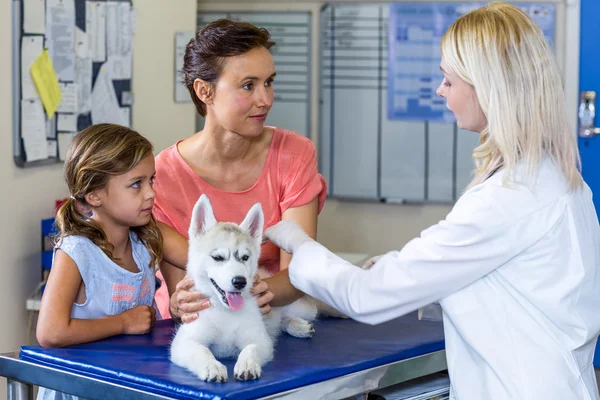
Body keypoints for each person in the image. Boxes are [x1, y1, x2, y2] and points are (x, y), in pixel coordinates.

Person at [264, 3, 600, 399]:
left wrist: (300, 245)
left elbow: (365, 296)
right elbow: (511, 287)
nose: (441, 90)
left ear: (486, 85)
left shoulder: (507, 199)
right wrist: (399, 270)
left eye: (448, 79)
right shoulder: (557, 176)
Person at [152, 19, 327, 322]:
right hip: (195, 330)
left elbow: (297, 272)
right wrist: (184, 303)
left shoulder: (295, 154)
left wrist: (237, 293)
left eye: (269, 82)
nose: (266, 99)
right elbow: (186, 287)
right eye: (249, 86)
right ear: (205, 92)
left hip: (270, 319)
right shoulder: (162, 175)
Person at [36, 124, 188, 400]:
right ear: (94, 195)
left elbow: (201, 258)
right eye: (136, 184)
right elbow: (51, 332)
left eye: (151, 180)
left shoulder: (150, 236)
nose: (151, 193)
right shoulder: (77, 251)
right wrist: (123, 323)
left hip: (127, 384)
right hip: (81, 389)